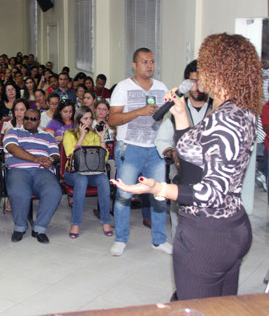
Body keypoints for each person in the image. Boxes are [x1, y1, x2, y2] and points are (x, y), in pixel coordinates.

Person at [111, 33, 261, 300]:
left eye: (203, 66)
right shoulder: (239, 110)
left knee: (193, 306)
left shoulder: (225, 119)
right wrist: (180, 115)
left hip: (208, 234)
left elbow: (211, 192)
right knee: (221, 307)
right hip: (229, 227)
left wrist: (158, 188)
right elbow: (194, 159)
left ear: (220, 71)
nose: (197, 74)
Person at [108, 47, 171, 256]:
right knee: (124, 194)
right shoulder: (123, 88)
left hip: (155, 150)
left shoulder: (162, 88)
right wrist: (139, 112)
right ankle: (121, 238)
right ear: (135, 65)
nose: (149, 65)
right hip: (130, 147)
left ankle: (159, 239)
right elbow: (113, 119)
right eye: (144, 62)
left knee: (160, 195)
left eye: (152, 61)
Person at [154, 59, 211, 241]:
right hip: (181, 176)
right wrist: (172, 153)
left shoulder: (215, 109)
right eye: (193, 82)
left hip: (208, 178)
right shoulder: (177, 108)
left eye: (201, 81)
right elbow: (162, 140)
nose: (197, 87)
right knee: (180, 221)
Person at [4, 108, 62, 244]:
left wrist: (50, 160)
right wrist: (36, 159)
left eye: (33, 119)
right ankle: (20, 227)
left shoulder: (48, 136)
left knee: (54, 191)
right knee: (19, 192)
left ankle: (39, 228)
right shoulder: (14, 131)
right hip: (18, 170)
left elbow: (55, 154)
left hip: (42, 171)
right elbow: (12, 148)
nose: (29, 121)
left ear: (39, 121)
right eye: (26, 118)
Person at [63, 106, 112, 238]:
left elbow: (104, 157)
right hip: (73, 172)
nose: (89, 122)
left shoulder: (94, 135)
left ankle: (106, 221)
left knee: (103, 179)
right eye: (85, 118)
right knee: (81, 179)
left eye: (90, 118)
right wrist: (81, 136)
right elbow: (71, 155)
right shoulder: (69, 134)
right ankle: (75, 223)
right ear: (78, 120)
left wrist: (101, 138)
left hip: (92, 172)